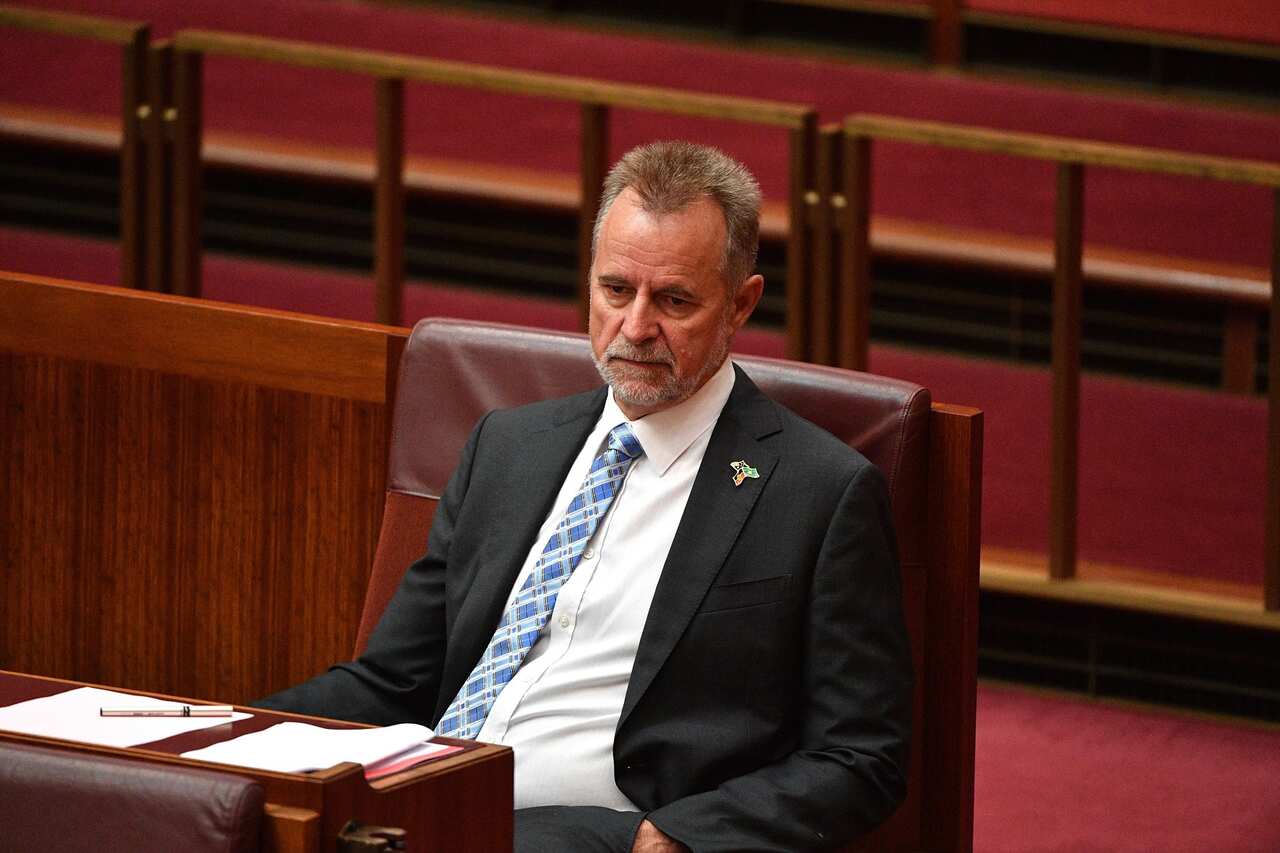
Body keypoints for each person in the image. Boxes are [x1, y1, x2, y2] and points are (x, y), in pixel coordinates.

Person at [256, 141, 912, 852]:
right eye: (616, 290)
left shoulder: (818, 492)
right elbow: (392, 683)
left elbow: (861, 755)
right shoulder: (507, 447)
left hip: (600, 831)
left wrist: (670, 837)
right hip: (419, 802)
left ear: (740, 304)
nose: (634, 329)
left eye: (674, 301)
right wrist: (227, 739)